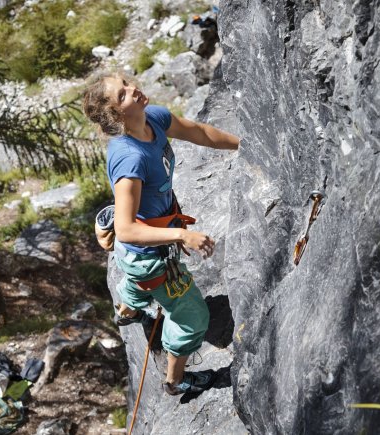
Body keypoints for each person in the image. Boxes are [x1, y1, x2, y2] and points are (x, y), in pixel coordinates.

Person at [83, 73, 240, 396]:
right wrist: (182, 238)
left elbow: (197, 132)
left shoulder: (153, 118)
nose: (134, 89)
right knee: (194, 316)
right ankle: (175, 381)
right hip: (147, 256)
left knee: (139, 282)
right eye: (123, 94)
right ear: (116, 114)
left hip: (150, 241)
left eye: (128, 81)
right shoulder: (130, 157)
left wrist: (242, 145)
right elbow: (126, 230)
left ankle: (129, 306)